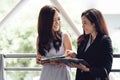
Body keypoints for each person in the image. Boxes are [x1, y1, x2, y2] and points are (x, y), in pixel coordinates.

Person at [67, 8, 113, 80]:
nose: (82, 26)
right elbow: (84, 59)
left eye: (85, 23)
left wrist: (88, 69)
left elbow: (106, 70)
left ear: (94, 24)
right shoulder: (82, 40)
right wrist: (75, 56)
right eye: (82, 23)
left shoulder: (105, 41)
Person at [36, 5, 73, 80]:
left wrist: (60, 61)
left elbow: (71, 60)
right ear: (45, 22)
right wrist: (39, 59)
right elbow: (39, 57)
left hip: (62, 75)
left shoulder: (65, 36)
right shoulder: (40, 38)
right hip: (47, 75)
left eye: (58, 19)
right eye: (53, 20)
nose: (57, 23)